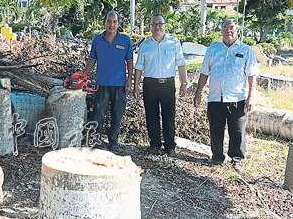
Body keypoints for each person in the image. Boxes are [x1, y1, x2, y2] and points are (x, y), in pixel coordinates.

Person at [194, 18, 259, 174]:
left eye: (232, 28)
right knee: (216, 130)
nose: (228, 31)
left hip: (237, 99)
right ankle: (217, 157)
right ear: (221, 30)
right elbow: (204, 73)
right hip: (216, 98)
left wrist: (251, 97)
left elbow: (252, 76)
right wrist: (198, 93)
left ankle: (236, 160)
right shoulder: (212, 50)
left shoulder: (246, 50)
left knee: (237, 132)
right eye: (225, 28)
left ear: (237, 31)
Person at [133, 14, 187, 157]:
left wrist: (184, 83)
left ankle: (170, 146)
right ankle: (155, 144)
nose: (157, 26)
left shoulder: (174, 43)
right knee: (151, 115)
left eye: (160, 24)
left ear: (165, 26)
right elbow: (139, 66)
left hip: (168, 84)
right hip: (150, 83)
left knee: (169, 116)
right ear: (150, 27)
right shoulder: (145, 45)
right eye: (154, 24)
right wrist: (136, 85)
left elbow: (181, 63)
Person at [83, 11, 134, 153]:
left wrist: (129, 79)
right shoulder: (97, 40)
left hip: (119, 85)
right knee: (98, 112)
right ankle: (95, 140)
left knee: (117, 114)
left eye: (115, 21)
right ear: (104, 23)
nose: (112, 24)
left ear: (118, 23)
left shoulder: (125, 40)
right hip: (102, 84)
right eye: (109, 21)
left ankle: (113, 141)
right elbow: (92, 59)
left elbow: (130, 61)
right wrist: (83, 75)